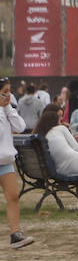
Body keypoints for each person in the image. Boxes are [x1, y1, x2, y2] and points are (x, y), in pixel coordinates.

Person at [1, 79, 37, 248]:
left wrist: (7, 107)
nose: (8, 95)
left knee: (13, 196)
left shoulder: (8, 108)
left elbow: (20, 126)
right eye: (4, 92)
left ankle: (16, 234)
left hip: (6, 160)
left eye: (9, 91)